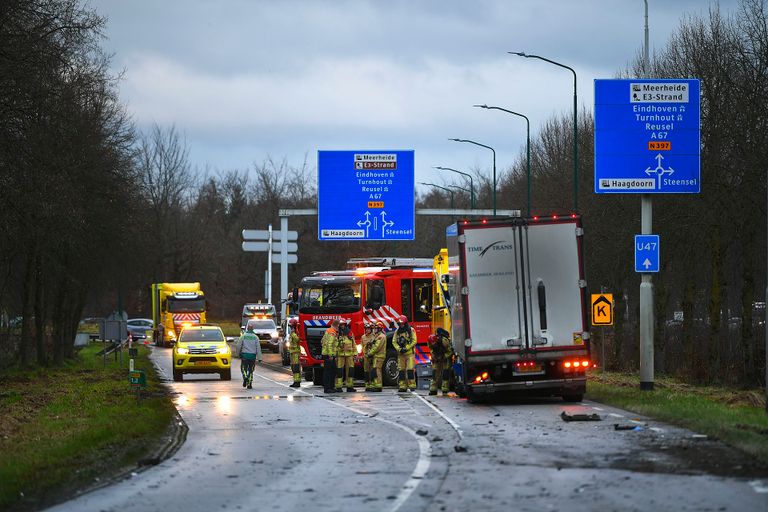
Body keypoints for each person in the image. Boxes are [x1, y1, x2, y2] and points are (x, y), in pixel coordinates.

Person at [394, 315, 417, 392]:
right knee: (401, 370)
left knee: (410, 369)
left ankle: (412, 385)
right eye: (399, 324)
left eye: (402, 324)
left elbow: (414, 341)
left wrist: (406, 348)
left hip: (409, 353)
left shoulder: (411, 330)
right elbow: (394, 341)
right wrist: (399, 348)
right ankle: (402, 386)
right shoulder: (397, 331)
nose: (401, 325)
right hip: (401, 354)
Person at [236, 324, 263, 389]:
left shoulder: (243, 336)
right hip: (252, 356)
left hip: (244, 355)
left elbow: (238, 346)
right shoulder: (256, 337)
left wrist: (238, 354)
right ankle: (249, 384)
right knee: (251, 370)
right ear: (252, 329)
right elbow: (258, 348)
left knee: (243, 368)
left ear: (247, 329)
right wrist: (259, 358)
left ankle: (245, 377)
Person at [428, 327, 453, 396]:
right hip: (437, 357)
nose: (432, 344)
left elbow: (450, 351)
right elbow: (431, 350)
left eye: (433, 343)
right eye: (431, 344)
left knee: (445, 373)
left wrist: (444, 357)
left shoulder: (444, 341)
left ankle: (445, 389)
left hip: (445, 357)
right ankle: (433, 389)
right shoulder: (430, 342)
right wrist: (434, 357)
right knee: (435, 372)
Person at [335, 319, 356, 392]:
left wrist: (355, 353)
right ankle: (338, 386)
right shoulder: (337, 334)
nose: (342, 326)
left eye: (343, 324)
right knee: (339, 371)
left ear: (345, 325)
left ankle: (349, 386)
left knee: (350, 371)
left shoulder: (350, 333)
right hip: (340, 355)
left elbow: (354, 343)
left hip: (349, 354)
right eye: (341, 325)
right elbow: (334, 344)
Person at [367, 320, 387, 392]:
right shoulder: (377, 336)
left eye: (376, 328)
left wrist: (370, 353)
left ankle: (378, 386)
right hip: (376, 356)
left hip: (379, 356)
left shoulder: (381, 337)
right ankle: (376, 385)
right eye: (374, 328)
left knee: (377, 370)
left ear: (380, 329)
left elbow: (376, 347)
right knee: (375, 370)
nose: (374, 330)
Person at [321, 319, 340, 393]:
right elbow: (330, 344)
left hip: (327, 354)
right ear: (337, 326)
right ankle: (328, 388)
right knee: (329, 372)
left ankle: (330, 387)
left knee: (331, 371)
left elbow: (322, 341)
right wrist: (331, 355)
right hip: (329, 355)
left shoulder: (328, 330)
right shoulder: (332, 332)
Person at [287, 317, 302, 388]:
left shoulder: (296, 332)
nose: (290, 327)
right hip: (292, 352)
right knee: (293, 367)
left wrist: (293, 333)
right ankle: (295, 381)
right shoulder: (293, 333)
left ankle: (297, 382)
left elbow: (297, 340)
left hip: (296, 352)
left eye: (291, 326)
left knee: (296, 367)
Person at [361, 322, 375, 391]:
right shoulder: (363, 337)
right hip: (366, 356)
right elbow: (362, 346)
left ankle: (372, 384)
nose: (367, 330)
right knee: (366, 370)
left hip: (372, 356)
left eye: (369, 329)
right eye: (366, 329)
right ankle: (367, 384)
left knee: (372, 370)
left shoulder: (374, 336)